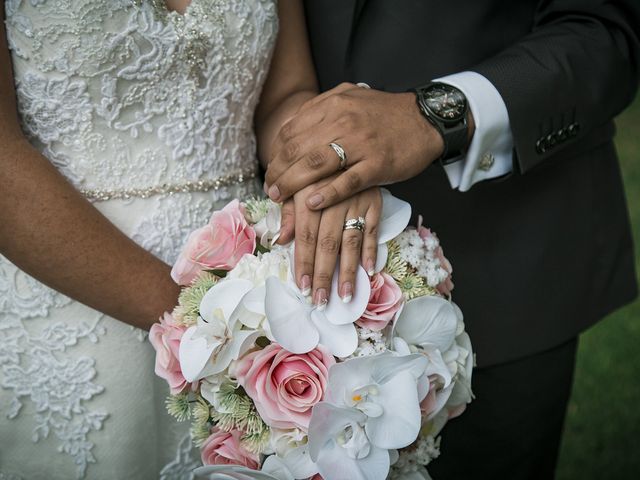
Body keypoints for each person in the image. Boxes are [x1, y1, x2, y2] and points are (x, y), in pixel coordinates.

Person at [0, 1, 379, 478]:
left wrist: (328, 167)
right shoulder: (235, 336)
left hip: (258, 287)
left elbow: (284, 93)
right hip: (72, 305)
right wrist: (217, 334)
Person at [263, 0, 640, 478]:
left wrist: (437, 114)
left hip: (505, 260)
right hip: (284, 270)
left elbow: (604, 32)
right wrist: (325, 165)